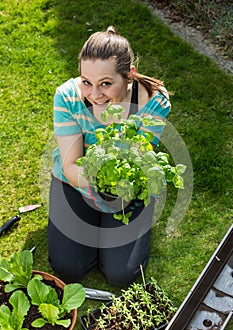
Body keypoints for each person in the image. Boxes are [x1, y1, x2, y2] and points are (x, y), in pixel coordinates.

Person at [48, 26, 171, 287]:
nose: (94, 94)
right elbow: (71, 164)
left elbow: (140, 161)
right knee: (69, 268)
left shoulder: (152, 102)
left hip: (125, 188)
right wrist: (97, 185)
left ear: (129, 76)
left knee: (122, 274)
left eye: (106, 83)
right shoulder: (68, 98)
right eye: (86, 82)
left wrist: (118, 189)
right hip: (76, 180)